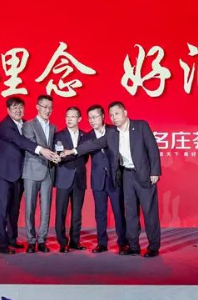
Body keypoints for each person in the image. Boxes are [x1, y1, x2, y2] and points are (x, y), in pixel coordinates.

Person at [62, 101, 161, 257]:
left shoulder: (141, 126)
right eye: (112, 115)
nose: (114, 117)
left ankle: (153, 247)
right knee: (130, 213)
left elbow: (152, 149)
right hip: (126, 175)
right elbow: (93, 144)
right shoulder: (112, 133)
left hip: (143, 174)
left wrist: (155, 171)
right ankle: (133, 246)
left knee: (149, 212)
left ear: (125, 113)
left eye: (117, 113)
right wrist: (72, 151)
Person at [0, 96, 59, 254]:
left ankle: (12, 239)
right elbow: (20, 141)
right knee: (2, 210)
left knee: (14, 210)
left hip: (19, 173)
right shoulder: (5, 125)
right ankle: (2, 245)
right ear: (8, 110)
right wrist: (41, 150)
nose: (18, 110)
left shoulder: (25, 124)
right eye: (14, 107)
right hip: (3, 173)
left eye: (20, 107)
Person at [82, 104, 128, 253]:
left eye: (94, 117)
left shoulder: (114, 131)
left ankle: (123, 242)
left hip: (114, 179)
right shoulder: (87, 136)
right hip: (98, 180)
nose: (92, 120)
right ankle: (102, 243)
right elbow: (82, 157)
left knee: (119, 212)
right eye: (89, 118)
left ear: (102, 117)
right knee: (100, 214)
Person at [21, 95, 57, 253]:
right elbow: (30, 144)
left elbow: (53, 147)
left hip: (48, 172)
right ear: (37, 107)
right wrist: (47, 153)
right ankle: (30, 240)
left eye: (50, 107)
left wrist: (57, 156)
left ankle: (42, 239)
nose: (47, 110)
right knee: (30, 207)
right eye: (45, 107)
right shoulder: (28, 125)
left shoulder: (53, 127)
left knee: (46, 208)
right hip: (31, 171)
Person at [53, 107, 89, 252]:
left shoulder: (85, 136)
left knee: (77, 213)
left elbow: (85, 156)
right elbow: (58, 155)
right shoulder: (58, 135)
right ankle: (62, 243)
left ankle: (75, 241)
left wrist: (71, 157)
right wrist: (72, 156)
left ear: (79, 119)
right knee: (61, 212)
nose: (69, 119)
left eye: (73, 116)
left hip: (79, 178)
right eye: (67, 116)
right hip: (63, 177)